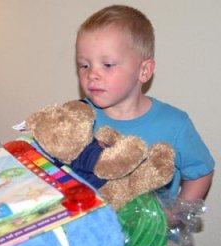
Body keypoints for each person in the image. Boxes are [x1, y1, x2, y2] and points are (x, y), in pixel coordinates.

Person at [76, 5, 214, 208]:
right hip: (92, 232)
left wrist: (175, 216)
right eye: (84, 65)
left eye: (107, 65)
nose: (92, 74)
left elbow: (201, 171)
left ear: (144, 71)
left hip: (149, 237)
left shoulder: (175, 124)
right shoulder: (79, 118)